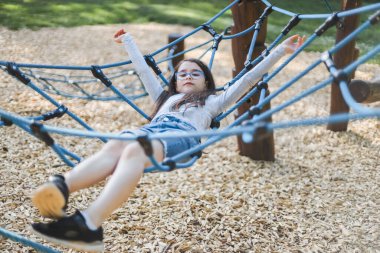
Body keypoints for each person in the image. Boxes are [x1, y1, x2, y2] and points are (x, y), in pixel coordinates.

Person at [30, 29, 305, 252]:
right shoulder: (164, 98)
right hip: (151, 131)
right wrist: (128, 41)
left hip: (181, 138)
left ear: (206, 82)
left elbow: (248, 79)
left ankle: (89, 224)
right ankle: (61, 188)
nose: (187, 76)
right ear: (174, 82)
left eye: (195, 73)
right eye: (182, 73)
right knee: (118, 142)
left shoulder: (212, 101)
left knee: (136, 148)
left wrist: (281, 51)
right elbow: (143, 71)